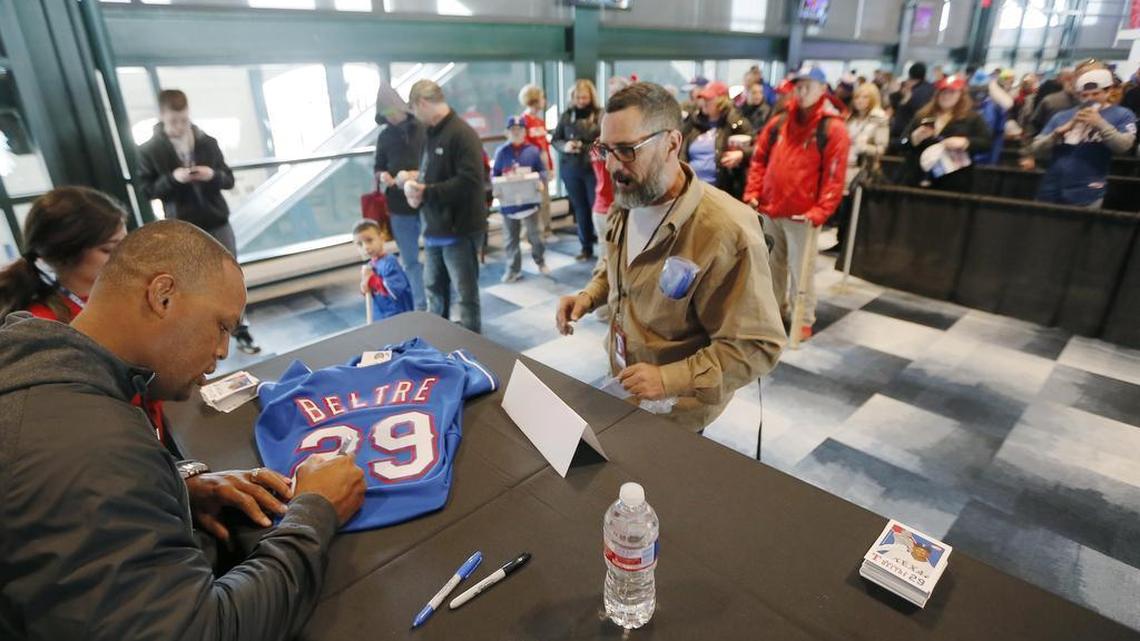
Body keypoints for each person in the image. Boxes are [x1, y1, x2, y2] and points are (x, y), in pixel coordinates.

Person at [0, 219, 366, 640]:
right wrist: (314, 510)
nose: (222, 352)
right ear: (163, 296)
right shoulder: (94, 452)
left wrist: (175, 487)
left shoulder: (46, 381)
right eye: (222, 326)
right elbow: (204, 631)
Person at [556, 82, 785, 432]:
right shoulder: (629, 197)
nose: (613, 166)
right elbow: (618, 266)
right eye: (606, 150)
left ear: (672, 144)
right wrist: (588, 296)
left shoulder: (728, 232)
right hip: (623, 383)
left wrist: (668, 379)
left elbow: (756, 346)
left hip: (678, 410)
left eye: (628, 150)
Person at [137, 89, 260, 355]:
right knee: (189, 283)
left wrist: (211, 175)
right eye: (174, 122)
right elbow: (147, 191)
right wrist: (174, 179)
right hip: (182, 225)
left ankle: (239, 329)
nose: (180, 127)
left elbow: (228, 179)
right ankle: (201, 335)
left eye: (183, 120)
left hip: (216, 220)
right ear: (161, 116)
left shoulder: (208, 142)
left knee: (231, 277)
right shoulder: (149, 150)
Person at [742, 66, 850, 343]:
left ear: (822, 89)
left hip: (803, 215)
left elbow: (835, 176)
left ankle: (802, 319)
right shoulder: (779, 122)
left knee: (800, 270)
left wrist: (820, 211)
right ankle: (775, 314)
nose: (801, 92)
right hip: (770, 207)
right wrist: (753, 192)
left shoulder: (832, 127)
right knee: (772, 267)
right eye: (798, 87)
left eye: (808, 86)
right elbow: (759, 158)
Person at [403, 80, 487, 333]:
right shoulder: (431, 133)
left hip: (459, 231)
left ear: (423, 103)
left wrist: (427, 192)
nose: (416, 117)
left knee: (466, 297)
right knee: (435, 294)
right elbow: (433, 173)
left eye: (415, 110)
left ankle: (474, 349)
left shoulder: (462, 134)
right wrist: (418, 186)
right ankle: (439, 344)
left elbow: (470, 181)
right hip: (434, 229)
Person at [1030, 67, 1137, 208]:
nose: (1090, 99)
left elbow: (1124, 146)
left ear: (1109, 90)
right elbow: (1036, 149)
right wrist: (1058, 133)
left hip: (1089, 190)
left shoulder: (1122, 115)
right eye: (1084, 95)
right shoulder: (1062, 116)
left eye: (1095, 94)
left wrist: (1099, 123)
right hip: (1051, 188)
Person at [372, 83, 427, 311]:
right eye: (386, 115)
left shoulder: (423, 129)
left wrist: (417, 175)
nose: (391, 118)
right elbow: (378, 167)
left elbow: (434, 163)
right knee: (410, 260)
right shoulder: (384, 136)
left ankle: (437, 301)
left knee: (437, 254)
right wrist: (383, 175)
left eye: (392, 112)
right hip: (398, 204)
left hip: (426, 199)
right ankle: (420, 305)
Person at [898, 75, 991, 193]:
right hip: (917, 179)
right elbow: (902, 143)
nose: (946, 96)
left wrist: (965, 142)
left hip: (954, 183)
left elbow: (986, 143)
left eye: (952, 92)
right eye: (943, 92)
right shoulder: (922, 115)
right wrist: (914, 139)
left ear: (961, 95)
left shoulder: (972, 118)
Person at [492, 116, 550, 282]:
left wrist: (539, 180)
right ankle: (513, 269)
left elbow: (543, 172)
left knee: (535, 236)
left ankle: (540, 261)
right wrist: (497, 187)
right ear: (507, 132)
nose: (516, 133)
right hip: (509, 204)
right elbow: (494, 175)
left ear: (525, 132)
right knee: (511, 239)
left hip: (530, 202)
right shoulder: (501, 152)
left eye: (520, 130)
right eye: (513, 130)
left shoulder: (533, 150)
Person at [551, 79, 603, 261]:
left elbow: (603, 142)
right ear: (572, 97)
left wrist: (585, 147)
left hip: (593, 169)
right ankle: (585, 246)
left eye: (585, 97)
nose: (581, 100)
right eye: (578, 97)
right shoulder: (566, 115)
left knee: (596, 207)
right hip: (571, 168)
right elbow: (555, 139)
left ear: (591, 97)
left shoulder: (599, 114)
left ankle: (604, 247)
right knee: (580, 209)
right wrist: (566, 146)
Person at [835, 83, 889, 255]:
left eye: (865, 97)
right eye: (857, 97)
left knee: (855, 210)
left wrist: (863, 147)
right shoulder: (849, 118)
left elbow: (881, 148)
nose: (860, 101)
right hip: (843, 167)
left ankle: (851, 247)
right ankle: (840, 242)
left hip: (862, 169)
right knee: (843, 210)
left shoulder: (879, 119)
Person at [680, 81, 754, 200]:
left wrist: (741, 153)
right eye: (702, 99)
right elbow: (681, 153)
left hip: (723, 191)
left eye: (708, 99)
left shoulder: (736, 122)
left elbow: (758, 148)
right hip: (691, 189)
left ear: (721, 101)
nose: (703, 103)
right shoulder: (693, 123)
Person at [353, 218, 414, 320]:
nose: (366, 247)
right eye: (360, 244)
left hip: (397, 316)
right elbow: (369, 291)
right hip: (381, 315)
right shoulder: (370, 265)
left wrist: (371, 280)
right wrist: (364, 285)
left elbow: (396, 290)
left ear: (381, 238)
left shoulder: (390, 263)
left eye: (369, 240)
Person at [518, 84, 555, 237]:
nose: (544, 101)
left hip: (543, 167)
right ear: (534, 100)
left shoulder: (540, 121)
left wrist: (550, 167)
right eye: (542, 98)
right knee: (530, 202)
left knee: (545, 200)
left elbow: (545, 146)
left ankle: (546, 230)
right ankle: (527, 234)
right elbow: (523, 146)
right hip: (531, 169)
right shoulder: (523, 121)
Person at [969, 69, 1011, 165]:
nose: (978, 94)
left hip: (987, 151)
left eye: (981, 89)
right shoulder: (967, 105)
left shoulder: (996, 105)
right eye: (975, 90)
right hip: (970, 152)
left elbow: (997, 132)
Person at [890, 62, 936, 143]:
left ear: (910, 74)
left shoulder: (910, 92)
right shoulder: (932, 88)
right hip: (925, 131)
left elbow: (900, 116)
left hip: (905, 134)